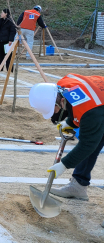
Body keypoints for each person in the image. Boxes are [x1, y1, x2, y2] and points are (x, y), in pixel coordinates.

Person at [28, 76, 104, 220]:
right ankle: (78, 186)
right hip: (100, 107)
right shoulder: (64, 85)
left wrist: (64, 164)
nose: (56, 114)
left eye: (54, 111)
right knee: (92, 137)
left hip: (98, 109)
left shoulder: (90, 112)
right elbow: (79, 102)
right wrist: (70, 122)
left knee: (90, 141)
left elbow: (88, 144)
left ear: (60, 101)